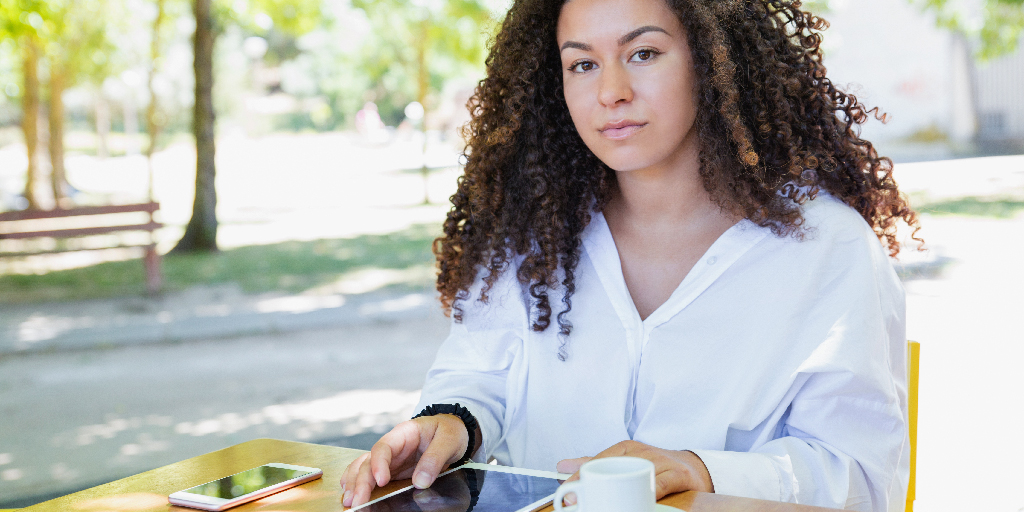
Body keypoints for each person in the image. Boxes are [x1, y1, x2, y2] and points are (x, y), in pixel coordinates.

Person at [341, 0, 920, 510]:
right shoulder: (533, 233)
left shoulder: (828, 249)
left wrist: (702, 471)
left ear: (715, 61)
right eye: (582, 63)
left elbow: (865, 481)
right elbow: (479, 377)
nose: (610, 91)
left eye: (643, 53)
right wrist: (451, 422)